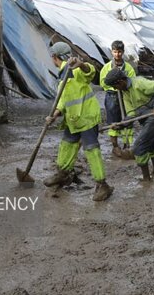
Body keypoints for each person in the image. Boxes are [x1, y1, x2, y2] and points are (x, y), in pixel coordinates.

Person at [42, 42, 114, 201]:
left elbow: (90, 72)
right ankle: (62, 174)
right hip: (73, 119)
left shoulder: (75, 70)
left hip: (87, 117)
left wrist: (81, 64)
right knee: (67, 145)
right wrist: (54, 115)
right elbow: (63, 100)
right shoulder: (62, 75)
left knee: (91, 150)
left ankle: (102, 185)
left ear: (55, 57)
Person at [103, 69, 154, 181]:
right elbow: (132, 113)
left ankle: (146, 179)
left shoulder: (138, 82)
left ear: (120, 81)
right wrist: (121, 124)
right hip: (144, 118)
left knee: (139, 147)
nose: (114, 89)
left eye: (114, 86)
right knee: (151, 144)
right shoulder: (125, 92)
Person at [99, 40, 136, 159]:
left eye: (119, 52)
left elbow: (132, 81)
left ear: (123, 52)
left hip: (125, 96)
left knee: (127, 120)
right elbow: (102, 83)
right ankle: (115, 146)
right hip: (112, 96)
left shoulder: (128, 68)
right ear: (112, 52)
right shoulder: (106, 67)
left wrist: (124, 88)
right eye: (115, 52)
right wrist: (114, 87)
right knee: (113, 122)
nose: (117, 55)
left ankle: (127, 145)